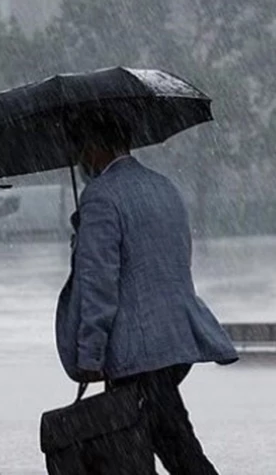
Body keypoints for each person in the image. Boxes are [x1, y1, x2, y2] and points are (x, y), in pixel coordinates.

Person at [55, 109, 238, 474]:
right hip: (174, 341)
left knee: (164, 449)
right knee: (158, 441)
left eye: (80, 149)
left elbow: (99, 284)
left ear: (93, 146)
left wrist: (89, 357)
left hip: (136, 351)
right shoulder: (163, 186)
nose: (79, 159)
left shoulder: (101, 198)